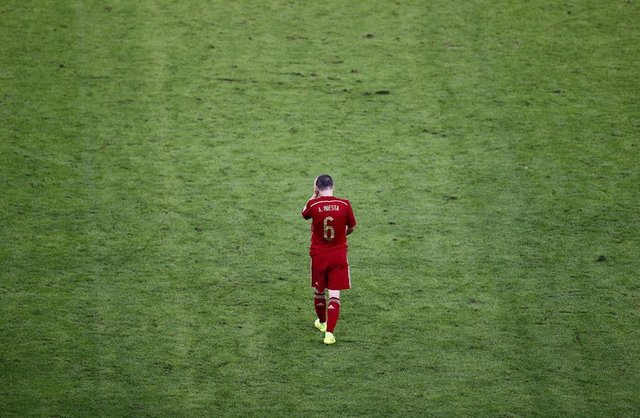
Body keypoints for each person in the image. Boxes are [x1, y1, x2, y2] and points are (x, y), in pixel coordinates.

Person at [301, 175, 356, 345]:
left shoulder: (314, 204)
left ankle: (322, 323)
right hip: (338, 255)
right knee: (334, 295)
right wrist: (341, 235)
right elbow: (352, 227)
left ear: (317, 187)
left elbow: (304, 213)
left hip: (319, 255)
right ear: (333, 185)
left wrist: (313, 195)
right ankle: (329, 334)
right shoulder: (344, 204)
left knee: (319, 291)